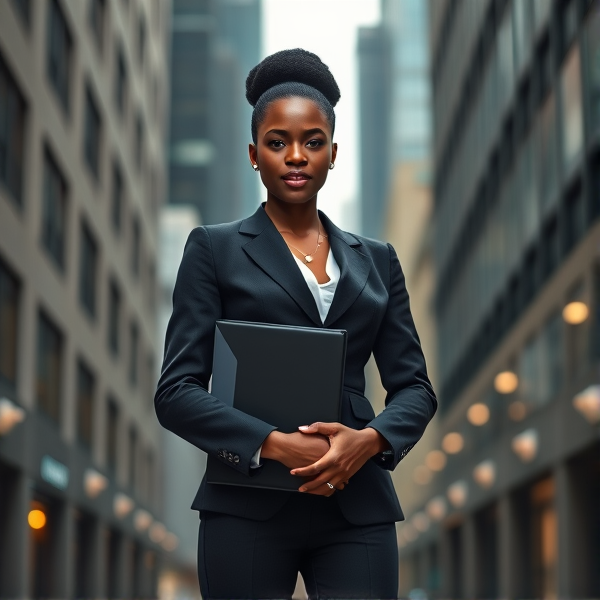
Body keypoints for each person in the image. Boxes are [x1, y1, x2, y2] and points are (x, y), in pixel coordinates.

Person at [155, 48, 437, 600]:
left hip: (356, 503)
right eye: (277, 142)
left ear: (334, 153)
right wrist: (278, 445)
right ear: (253, 154)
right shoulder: (213, 249)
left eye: (312, 142)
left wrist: (369, 440)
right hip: (247, 503)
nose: (296, 156)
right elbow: (176, 392)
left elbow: (415, 388)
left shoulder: (377, 259)